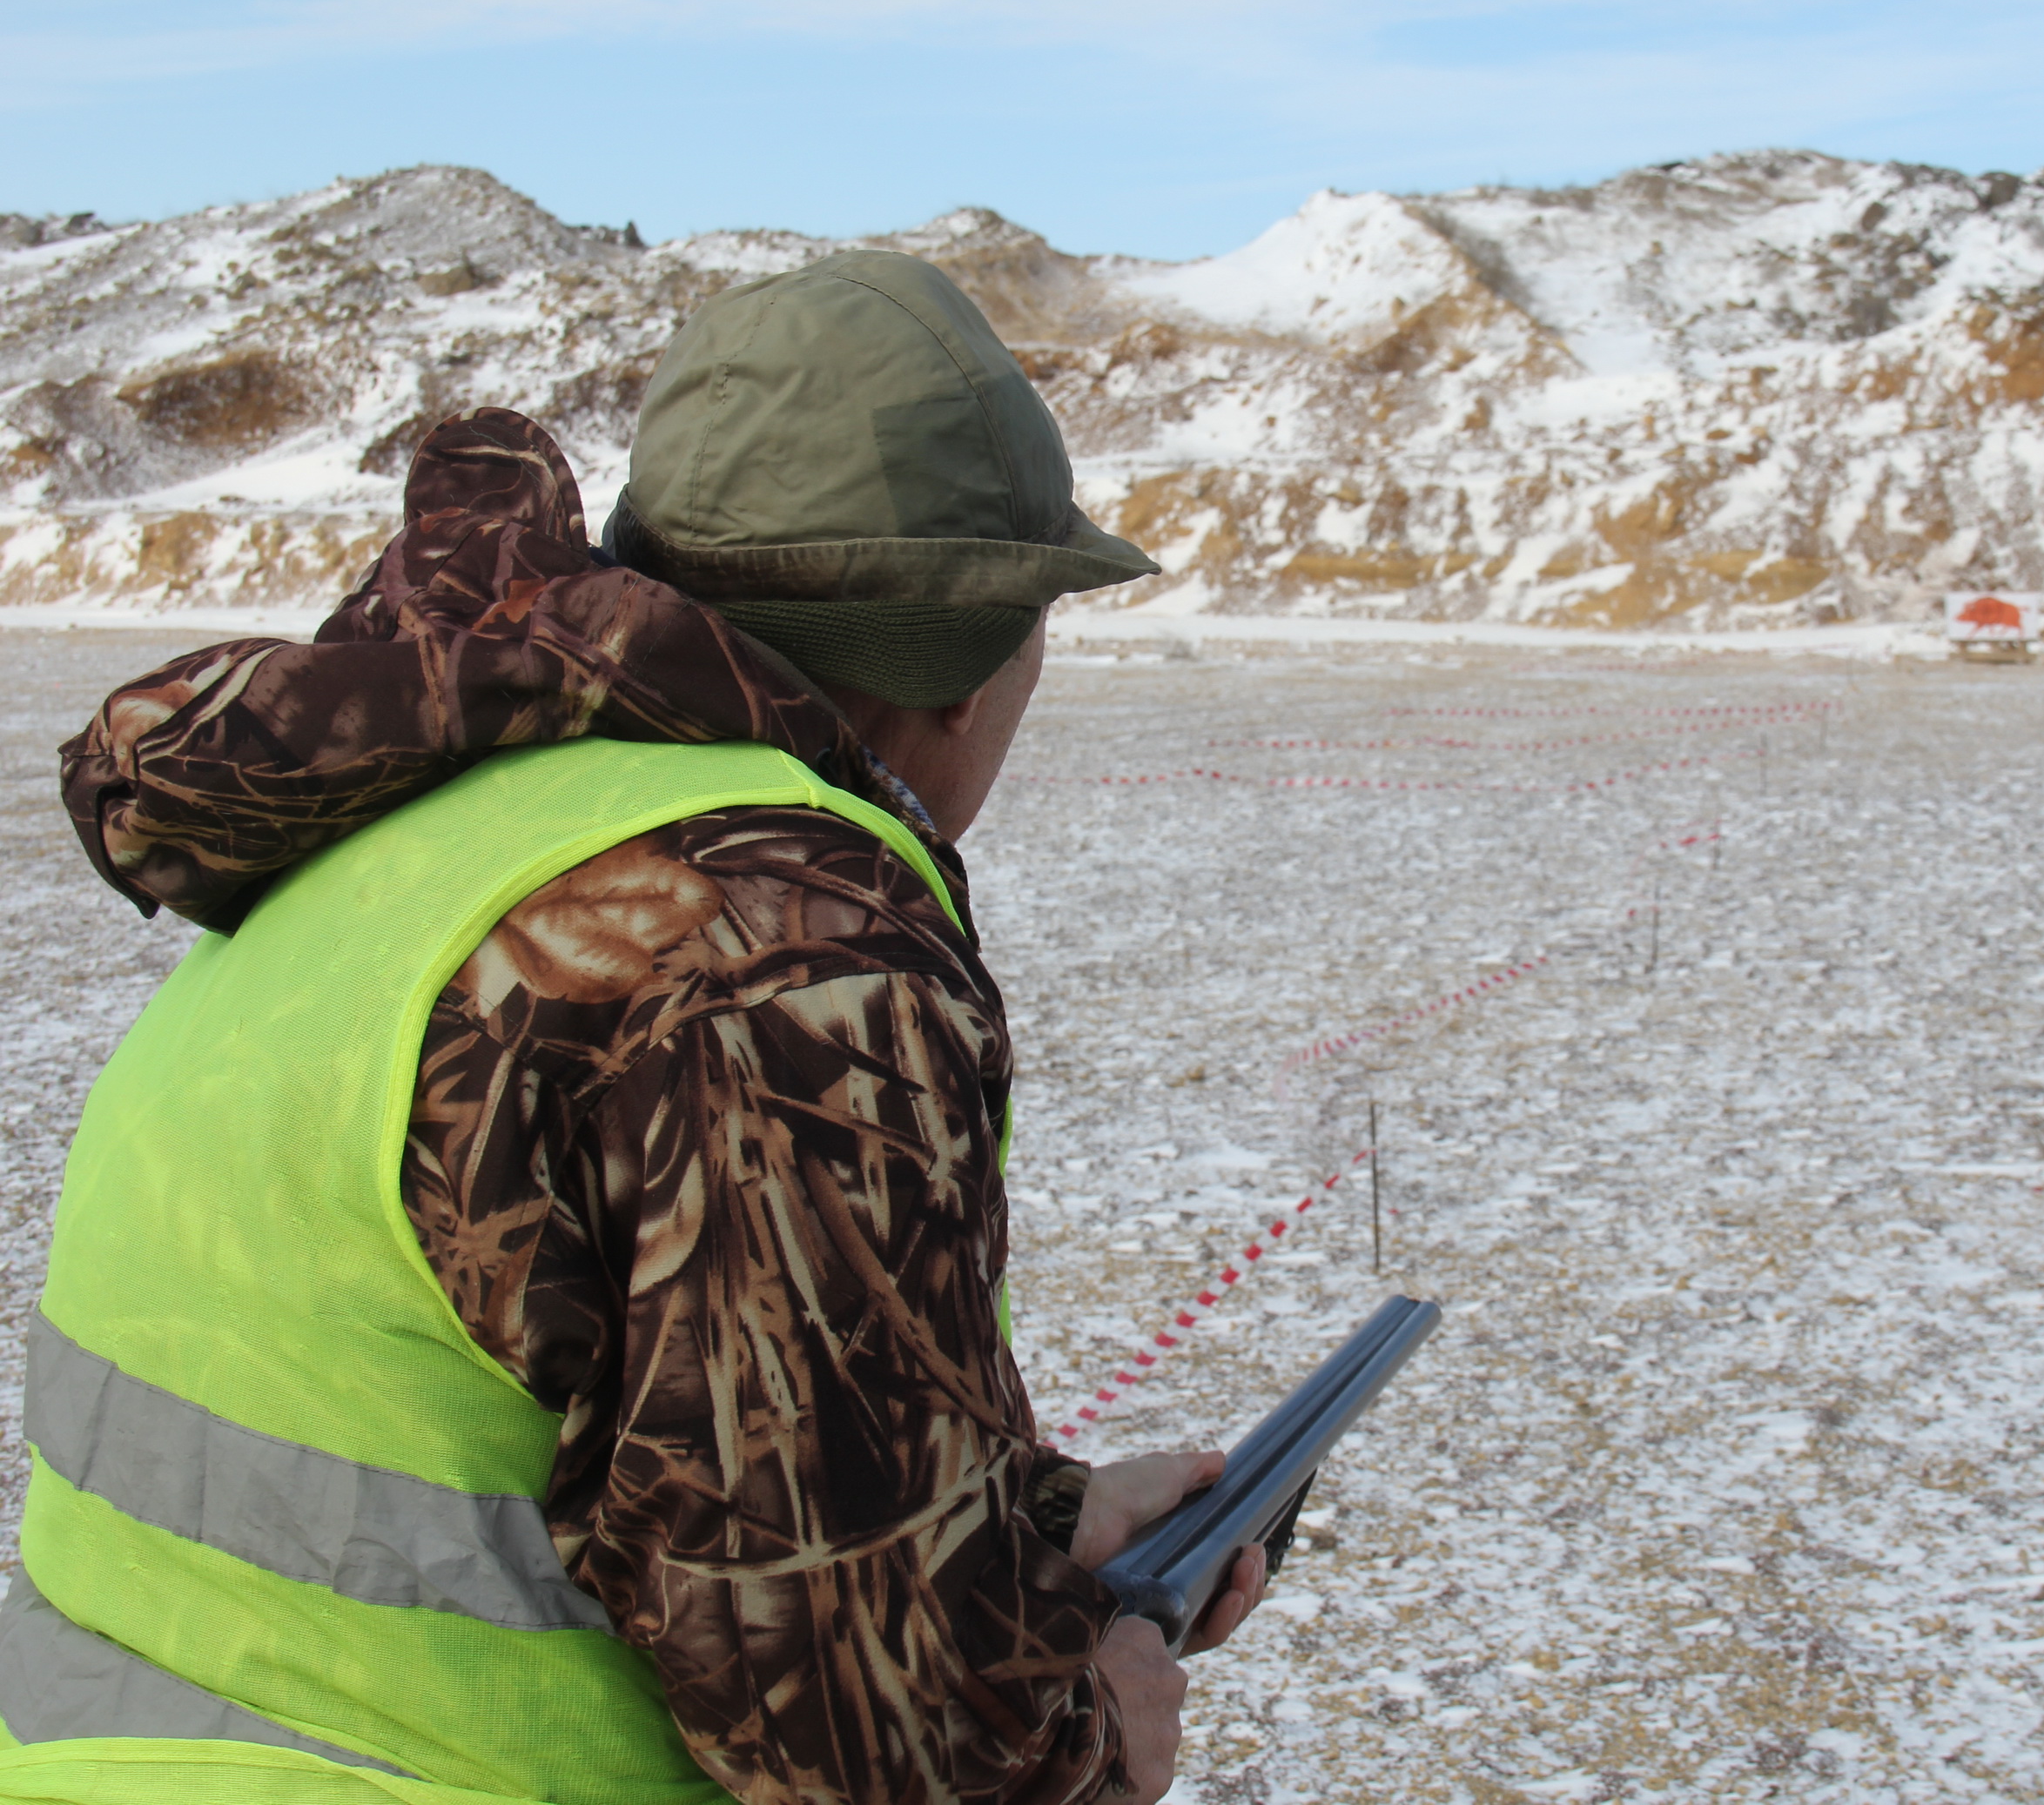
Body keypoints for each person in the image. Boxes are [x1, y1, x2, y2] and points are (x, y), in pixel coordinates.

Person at [2, 252, 1261, 1805]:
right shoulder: (777, 950)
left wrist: (1021, 1525)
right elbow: (867, 1737)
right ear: (966, 660)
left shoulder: (429, 824)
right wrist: (1091, 1734)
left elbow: (590, 1440)